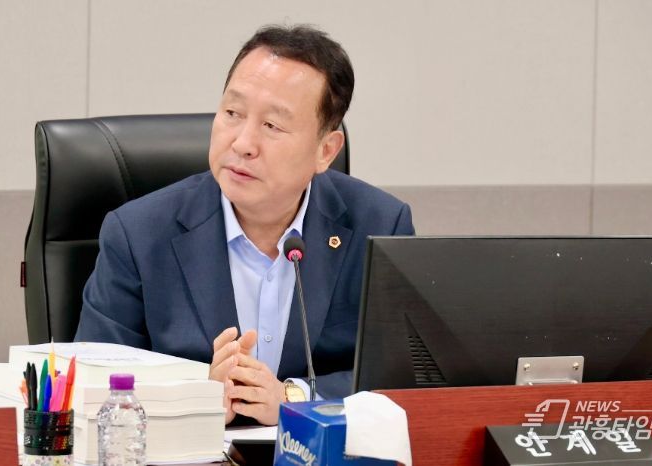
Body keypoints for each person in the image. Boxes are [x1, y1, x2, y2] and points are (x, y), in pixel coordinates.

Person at [74, 24, 414, 425]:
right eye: (232, 113)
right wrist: (198, 397)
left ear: (325, 151)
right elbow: (94, 389)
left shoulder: (379, 226)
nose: (242, 143)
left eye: (272, 126)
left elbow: (402, 379)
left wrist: (293, 397)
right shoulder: (138, 234)